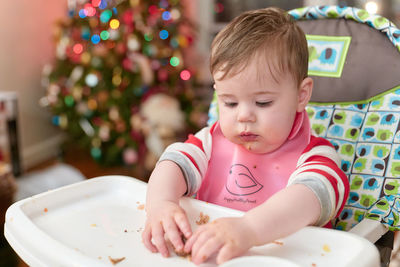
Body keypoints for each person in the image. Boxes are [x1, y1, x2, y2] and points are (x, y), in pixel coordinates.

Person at [142, 7, 349, 265]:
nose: (244, 116)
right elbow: (172, 162)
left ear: (301, 95)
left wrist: (248, 229)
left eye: (262, 102)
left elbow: (309, 197)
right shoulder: (209, 144)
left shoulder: (315, 157)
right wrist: (161, 203)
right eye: (229, 103)